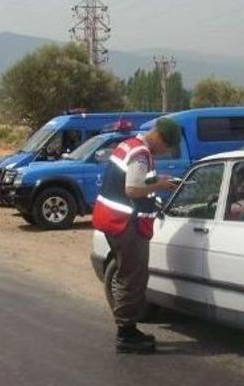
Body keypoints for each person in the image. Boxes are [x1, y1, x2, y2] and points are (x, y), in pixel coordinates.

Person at [92, 117, 180, 353]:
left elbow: (131, 181)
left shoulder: (128, 144)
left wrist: (153, 185)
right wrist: (158, 184)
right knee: (132, 276)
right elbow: (132, 188)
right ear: (159, 138)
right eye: (167, 147)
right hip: (124, 223)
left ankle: (127, 328)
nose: (165, 152)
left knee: (126, 274)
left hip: (111, 219)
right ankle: (126, 333)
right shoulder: (141, 153)